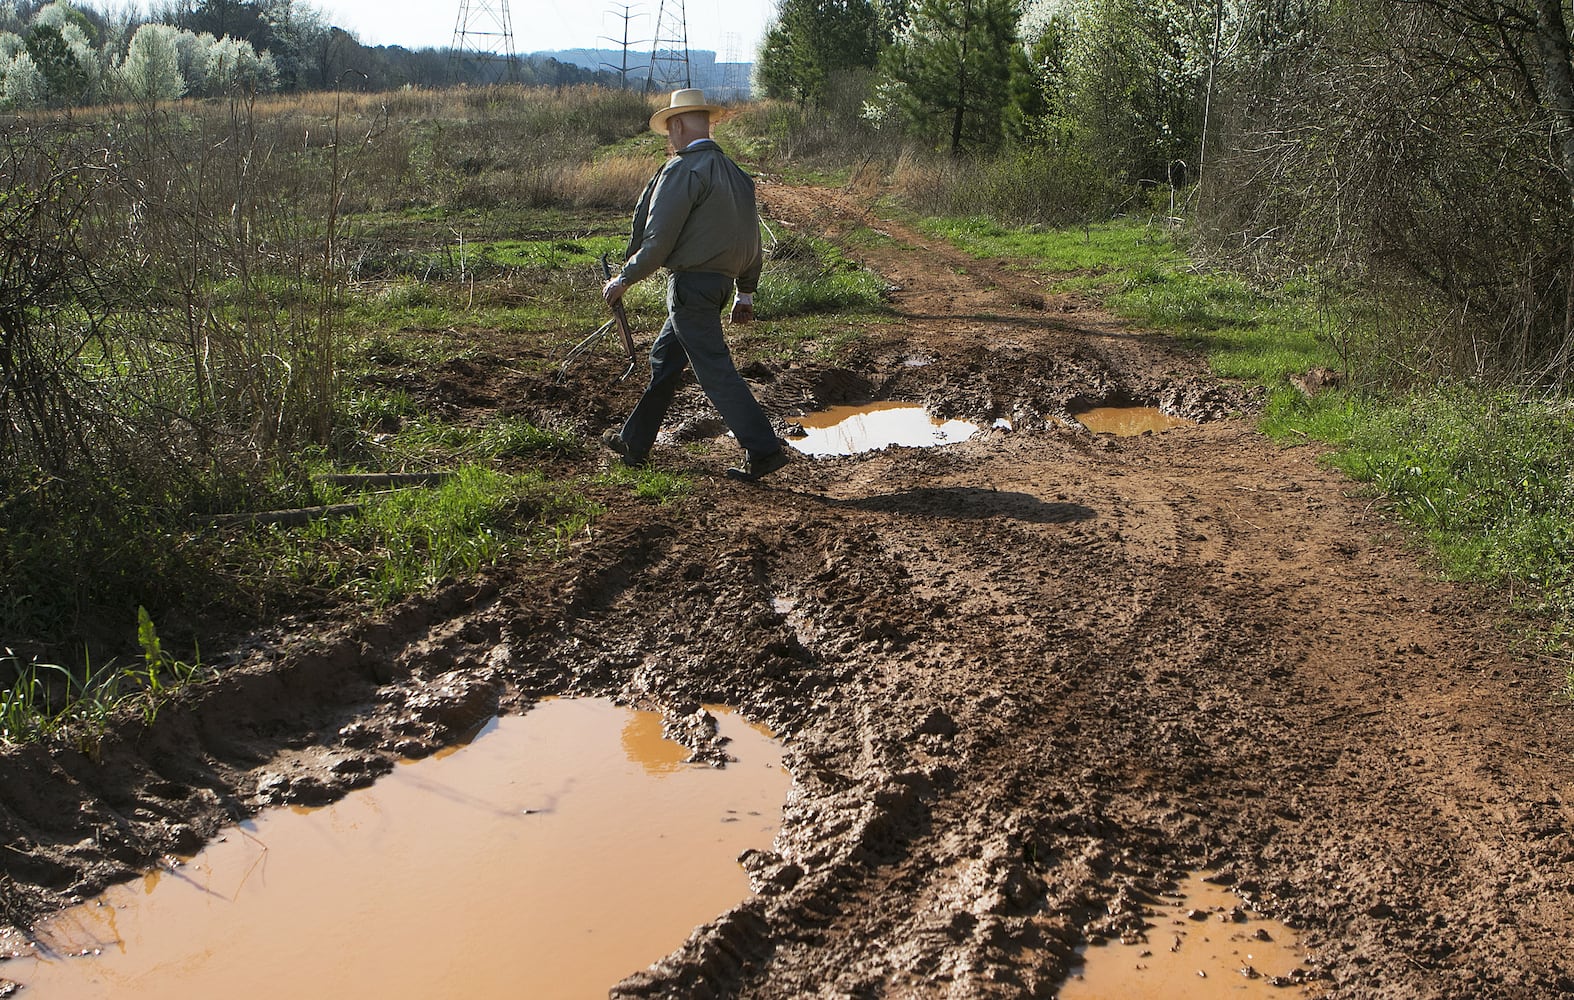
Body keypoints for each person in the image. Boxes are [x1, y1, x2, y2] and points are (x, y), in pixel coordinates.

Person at [601, 88, 790, 483]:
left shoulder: (682, 170)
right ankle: (634, 443)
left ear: (679, 124)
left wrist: (624, 279)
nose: (669, 138)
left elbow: (658, 240)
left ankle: (764, 449)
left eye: (670, 128)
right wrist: (745, 292)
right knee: (666, 361)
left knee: (715, 370)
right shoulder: (737, 175)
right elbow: (750, 241)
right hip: (718, 288)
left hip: (691, 288)